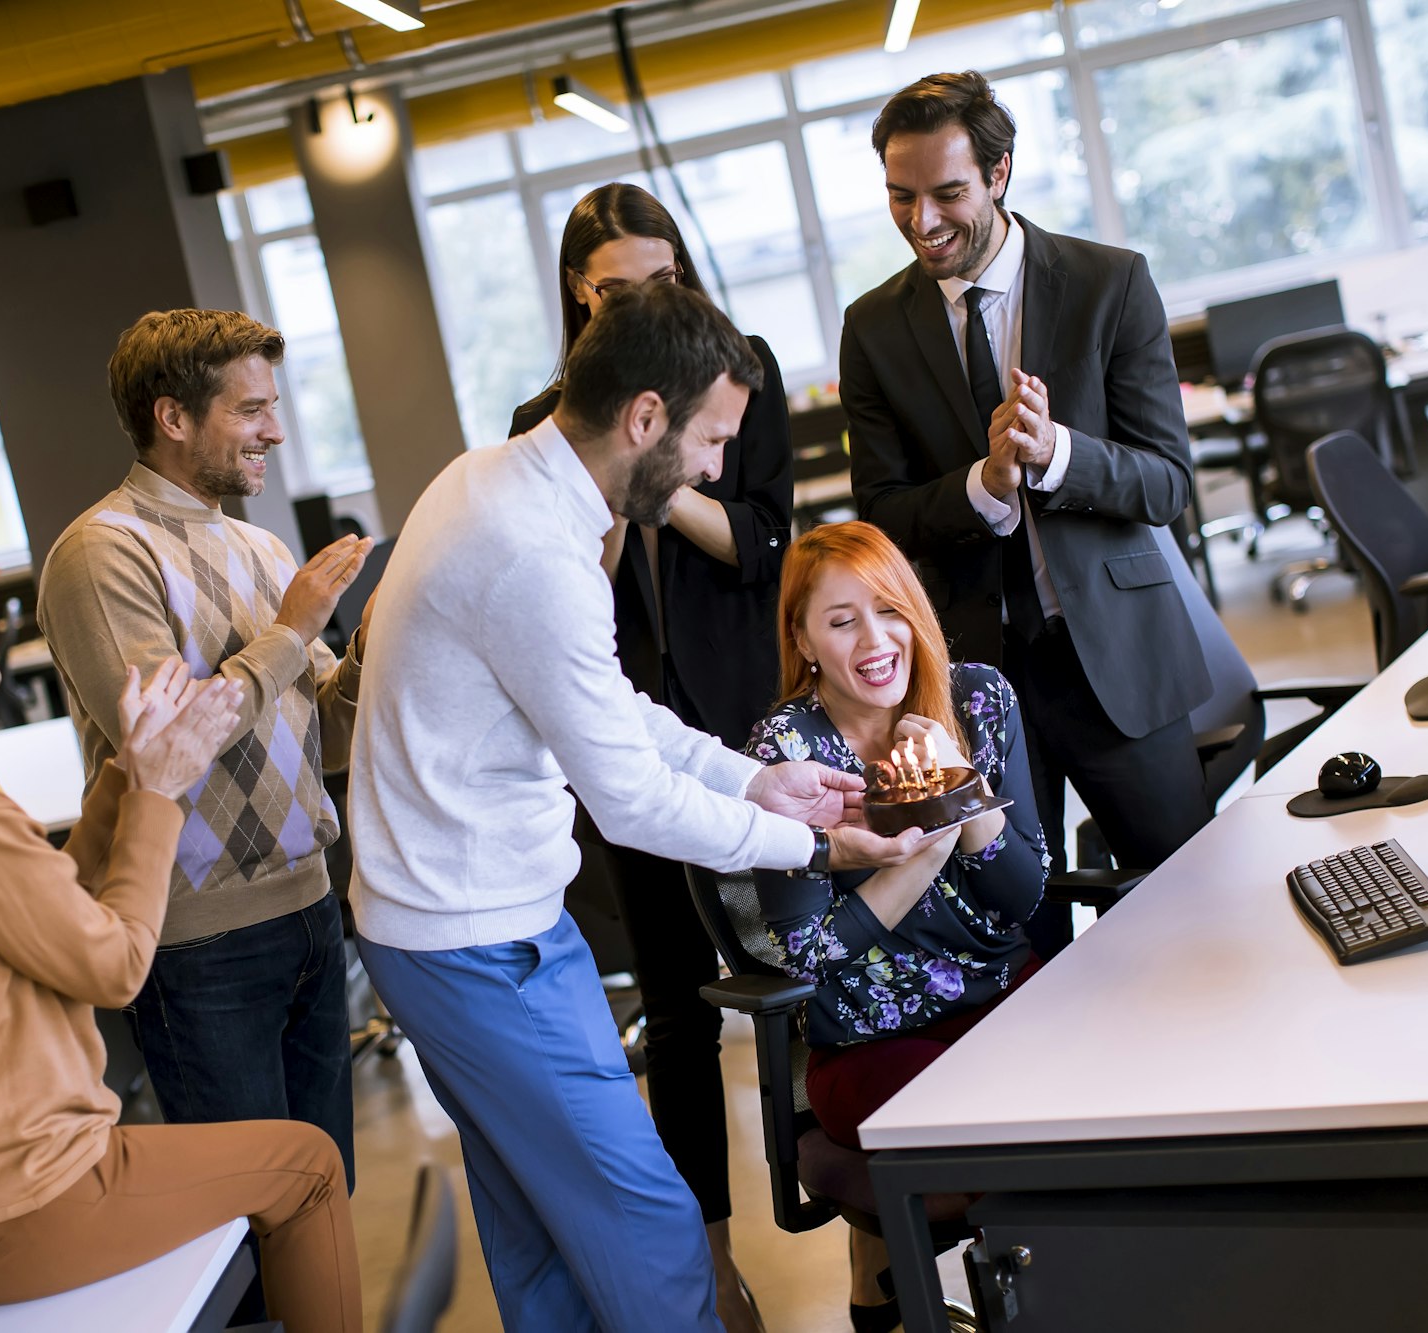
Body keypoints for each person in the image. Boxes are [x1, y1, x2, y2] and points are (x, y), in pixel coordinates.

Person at [347, 282, 929, 1333]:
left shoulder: (494, 481)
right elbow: (625, 800)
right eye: (709, 440)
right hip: (473, 942)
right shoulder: (533, 552)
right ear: (645, 418)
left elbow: (608, 708)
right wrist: (805, 838)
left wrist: (751, 780)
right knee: (652, 1229)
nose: (715, 469)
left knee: (542, 1240)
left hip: (480, 922)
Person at [0, 520, 361, 1332]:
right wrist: (160, 794)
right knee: (311, 1165)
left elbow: (54, 894)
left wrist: (130, 769)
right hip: (17, 1202)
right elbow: (116, 963)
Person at [840, 70, 1211, 952]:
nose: (922, 222)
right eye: (901, 197)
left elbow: (1166, 481)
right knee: (1020, 941)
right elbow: (883, 517)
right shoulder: (874, 328)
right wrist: (986, 485)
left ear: (999, 174)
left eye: (947, 194)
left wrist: (1058, 455)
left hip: (1117, 662)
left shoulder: (1108, 283)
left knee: (1193, 905)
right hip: (974, 684)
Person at [509, 182, 792, 1333]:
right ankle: (710, 1263)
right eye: (614, 291)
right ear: (579, 299)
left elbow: (760, 546)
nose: (641, 306)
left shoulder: (739, 370)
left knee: (808, 970)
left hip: (740, 709)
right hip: (618, 738)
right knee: (677, 1011)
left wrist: (655, 460)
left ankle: (871, 1238)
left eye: (660, 283)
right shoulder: (547, 415)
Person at [39, 309, 372, 1185]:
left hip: (308, 911)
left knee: (325, 1194)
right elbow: (172, 743)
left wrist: (371, 647)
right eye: (250, 409)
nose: (275, 429)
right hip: (197, 942)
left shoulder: (261, 546)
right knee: (251, 1216)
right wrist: (295, 629)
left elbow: (325, 733)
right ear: (173, 417)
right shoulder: (101, 553)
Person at [743, 520, 1046, 1333]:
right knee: (999, 1138)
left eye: (889, 610)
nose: (876, 641)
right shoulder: (789, 749)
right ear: (802, 639)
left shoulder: (977, 698)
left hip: (1002, 999)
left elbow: (1024, 894)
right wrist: (921, 851)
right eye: (841, 621)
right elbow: (809, 953)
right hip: (873, 1039)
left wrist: (961, 792)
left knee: (1093, 1109)